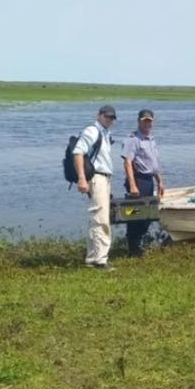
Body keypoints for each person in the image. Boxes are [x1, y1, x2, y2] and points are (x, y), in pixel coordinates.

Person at [73, 105, 117, 269]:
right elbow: (78, 153)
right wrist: (82, 178)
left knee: (97, 217)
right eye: (107, 116)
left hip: (104, 177)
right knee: (101, 219)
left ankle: (93, 258)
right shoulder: (92, 131)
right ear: (99, 115)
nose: (110, 120)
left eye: (112, 118)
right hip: (96, 177)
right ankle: (100, 260)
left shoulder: (105, 133)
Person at [121, 109, 165, 257]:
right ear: (139, 121)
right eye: (144, 121)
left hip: (149, 180)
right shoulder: (133, 139)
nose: (147, 123)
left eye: (149, 121)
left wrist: (160, 181)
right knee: (134, 214)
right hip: (138, 180)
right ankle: (133, 248)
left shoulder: (151, 139)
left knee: (147, 214)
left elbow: (154, 164)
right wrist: (133, 185)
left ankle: (140, 243)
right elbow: (127, 162)